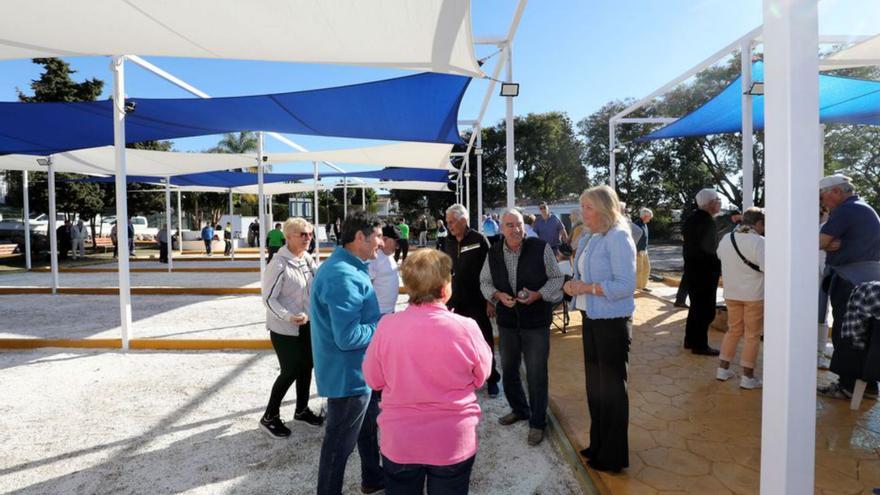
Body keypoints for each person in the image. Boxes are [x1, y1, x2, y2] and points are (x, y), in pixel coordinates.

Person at [363, 248, 492, 494]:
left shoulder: (387, 327)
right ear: (445, 289)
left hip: (401, 442)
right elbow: (481, 375)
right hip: (452, 441)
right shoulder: (466, 327)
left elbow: (373, 378)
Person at [310, 211, 385, 495]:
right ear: (359, 238)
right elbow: (348, 337)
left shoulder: (348, 267)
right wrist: (382, 326)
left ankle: (372, 478)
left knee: (367, 431)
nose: (380, 242)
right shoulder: (343, 275)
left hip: (357, 373)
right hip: (349, 377)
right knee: (338, 446)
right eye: (376, 236)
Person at [564, 185, 635, 473]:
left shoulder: (618, 237)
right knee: (596, 388)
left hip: (613, 323)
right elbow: (580, 274)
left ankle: (613, 455)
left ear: (605, 208)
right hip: (592, 318)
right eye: (582, 206)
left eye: (588, 207)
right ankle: (599, 445)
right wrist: (572, 285)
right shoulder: (591, 237)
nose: (583, 212)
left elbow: (626, 286)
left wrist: (588, 288)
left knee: (612, 391)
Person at [479, 208, 564, 446]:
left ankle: (538, 422)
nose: (515, 229)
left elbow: (557, 278)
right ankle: (520, 409)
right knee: (510, 368)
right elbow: (484, 281)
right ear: (501, 229)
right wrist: (496, 294)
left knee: (537, 373)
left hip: (536, 322)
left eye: (518, 224)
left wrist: (539, 294)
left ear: (524, 226)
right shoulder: (494, 252)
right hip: (507, 323)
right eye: (509, 225)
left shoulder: (540, 247)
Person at [260, 217, 324, 438]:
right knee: (290, 370)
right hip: (284, 329)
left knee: (307, 366)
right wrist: (288, 316)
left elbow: (318, 283)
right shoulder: (278, 264)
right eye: (303, 234)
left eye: (310, 234)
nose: (308, 238)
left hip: (307, 325)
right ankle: (269, 417)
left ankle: (302, 410)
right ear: (288, 237)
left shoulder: (306, 258)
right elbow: (268, 299)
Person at [817, 174, 880, 399]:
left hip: (849, 281)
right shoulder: (863, 208)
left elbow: (819, 242)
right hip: (868, 281)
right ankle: (869, 386)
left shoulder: (846, 210)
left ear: (836, 191)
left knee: (847, 333)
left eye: (823, 196)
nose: (823, 202)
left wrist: (824, 241)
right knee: (867, 334)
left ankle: (847, 386)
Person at [445, 204, 501, 398]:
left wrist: (490, 300)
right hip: (455, 302)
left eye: (452, 221)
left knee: (484, 340)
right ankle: (466, 378)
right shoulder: (447, 242)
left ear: (463, 220)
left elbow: (491, 271)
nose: (449, 225)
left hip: (477, 301)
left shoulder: (479, 239)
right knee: (459, 343)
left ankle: (492, 378)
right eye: (447, 222)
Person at [715, 207, 765, 390]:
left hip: (731, 292)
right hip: (754, 294)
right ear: (758, 223)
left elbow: (720, 256)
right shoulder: (759, 242)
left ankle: (722, 369)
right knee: (752, 335)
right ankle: (747, 377)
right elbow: (768, 267)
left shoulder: (727, 238)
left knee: (733, 330)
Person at [682, 189, 723, 356]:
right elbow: (710, 251)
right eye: (718, 200)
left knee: (695, 308)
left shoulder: (691, 219)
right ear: (711, 203)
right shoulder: (707, 222)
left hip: (692, 271)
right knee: (705, 311)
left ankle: (690, 340)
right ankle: (700, 345)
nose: (720, 203)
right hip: (704, 273)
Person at [369, 225, 401, 315]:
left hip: (389, 311)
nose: (397, 247)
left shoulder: (388, 254)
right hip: (378, 312)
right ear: (385, 239)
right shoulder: (374, 257)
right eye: (396, 243)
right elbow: (366, 288)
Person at [633, 208, 653, 291]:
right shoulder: (637, 225)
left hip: (644, 250)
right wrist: (636, 251)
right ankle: (638, 287)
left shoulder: (645, 224)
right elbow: (634, 239)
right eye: (649, 216)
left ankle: (643, 286)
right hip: (638, 251)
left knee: (647, 268)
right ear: (645, 216)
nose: (650, 218)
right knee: (639, 269)